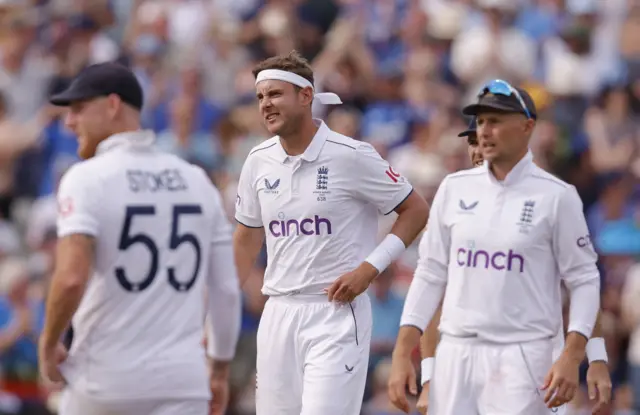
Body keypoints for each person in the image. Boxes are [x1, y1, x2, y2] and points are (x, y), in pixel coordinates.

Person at [37, 62, 241, 415]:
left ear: (113, 105)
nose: (69, 121)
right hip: (183, 382)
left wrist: (48, 340)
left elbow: (70, 279)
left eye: (79, 108)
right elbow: (225, 290)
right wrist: (219, 369)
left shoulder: (87, 177)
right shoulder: (196, 180)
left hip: (105, 379)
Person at [387, 80, 602, 415]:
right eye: (481, 123)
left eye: (496, 121)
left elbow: (584, 282)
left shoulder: (556, 197)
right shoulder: (453, 189)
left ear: (527, 127)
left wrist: (584, 357)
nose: (483, 134)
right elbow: (430, 278)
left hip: (526, 355)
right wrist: (406, 357)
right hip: (458, 354)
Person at [233, 50, 430, 415]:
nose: (265, 104)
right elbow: (246, 237)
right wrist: (222, 301)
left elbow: (416, 209)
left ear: (305, 96)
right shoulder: (258, 159)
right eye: (260, 97)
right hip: (278, 313)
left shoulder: (351, 154)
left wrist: (369, 269)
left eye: (275, 94)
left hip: (335, 315)